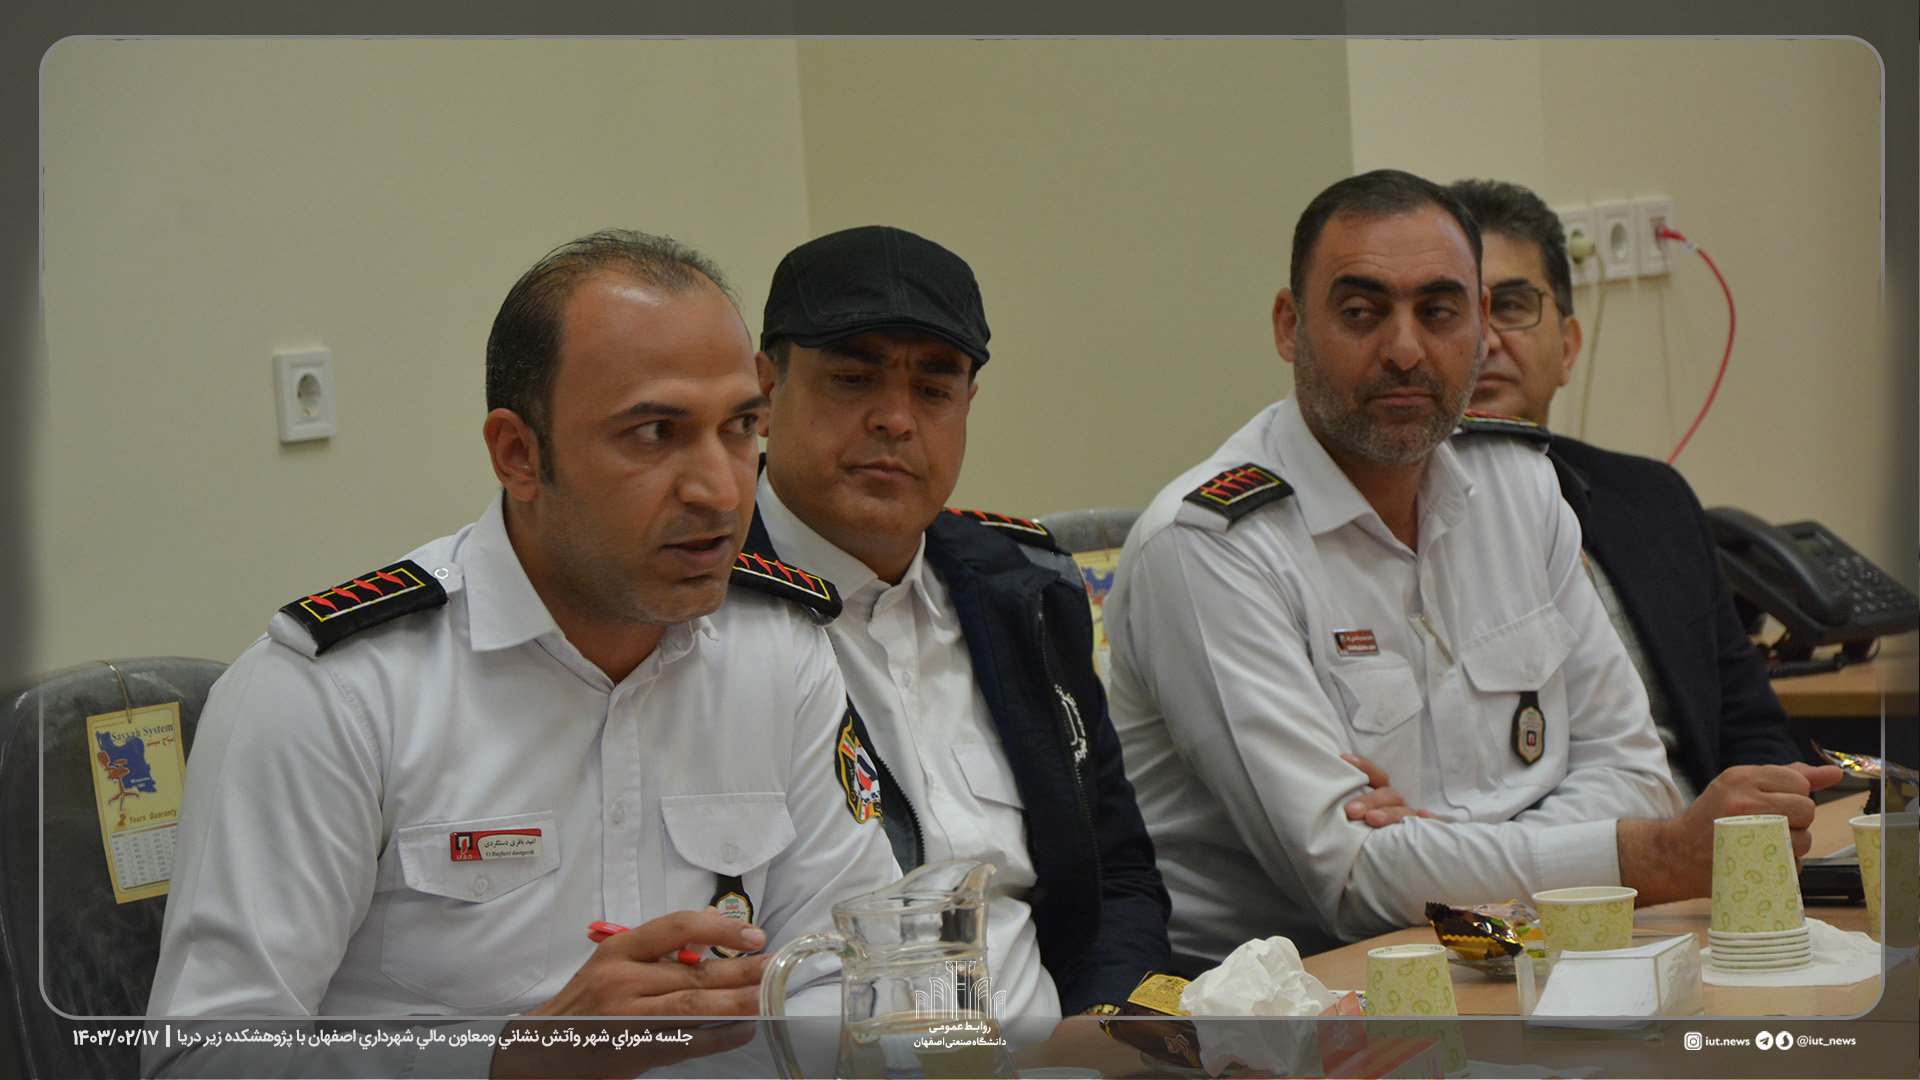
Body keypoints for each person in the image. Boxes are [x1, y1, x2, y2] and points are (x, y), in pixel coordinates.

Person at [146, 230, 900, 1075]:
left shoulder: (780, 651)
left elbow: (850, 971)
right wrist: (512, 1060)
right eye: (655, 432)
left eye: (741, 427)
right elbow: (201, 1060)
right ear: (519, 455)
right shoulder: (336, 693)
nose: (722, 489)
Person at [1103, 170, 1838, 973]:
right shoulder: (1210, 545)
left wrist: (1442, 850)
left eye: (1439, 311)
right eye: (1361, 313)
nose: (1405, 350)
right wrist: (1649, 857)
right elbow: (1349, 879)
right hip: (1301, 991)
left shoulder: (1520, 486)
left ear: (1480, 323)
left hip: (1526, 957)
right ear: (1290, 326)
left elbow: (1636, 776)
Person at [748, 225, 1170, 1027]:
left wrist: (1103, 1034)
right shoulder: (696, 601)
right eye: (852, 378)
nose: (895, 420)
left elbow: (1117, 879)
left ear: (968, 403)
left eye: (934, 389)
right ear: (764, 391)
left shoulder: (1028, 591)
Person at [1447, 177, 1800, 800]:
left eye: (1513, 305)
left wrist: (1766, 823)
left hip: (1713, 846)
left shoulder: (1652, 500)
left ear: (1568, 347)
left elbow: (1751, 727)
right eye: (1453, 313)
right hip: (1546, 857)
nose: (1486, 340)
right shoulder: (1394, 528)